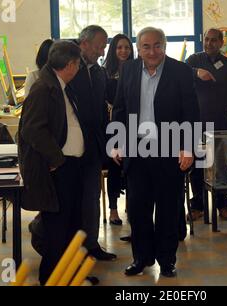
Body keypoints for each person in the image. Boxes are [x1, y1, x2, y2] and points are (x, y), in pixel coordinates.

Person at [111, 27, 200, 277]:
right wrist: (116, 141)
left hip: (170, 148)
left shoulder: (181, 71)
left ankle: (166, 259)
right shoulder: (128, 70)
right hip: (136, 150)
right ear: (138, 49)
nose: (152, 51)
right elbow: (119, 108)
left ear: (165, 46)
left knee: (168, 209)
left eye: (157, 45)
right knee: (138, 209)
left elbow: (191, 112)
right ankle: (142, 258)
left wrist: (187, 146)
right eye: (146, 46)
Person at [18, 40, 84, 285]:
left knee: (68, 228)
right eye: (78, 64)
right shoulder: (44, 88)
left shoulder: (60, 85)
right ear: (71, 65)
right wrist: (56, 159)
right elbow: (32, 130)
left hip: (69, 167)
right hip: (58, 170)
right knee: (56, 231)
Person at [69, 25, 117, 261]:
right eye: (99, 45)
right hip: (68, 149)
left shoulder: (100, 72)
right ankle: (70, 249)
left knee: (91, 198)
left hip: (94, 147)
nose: (102, 50)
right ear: (84, 43)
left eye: (104, 45)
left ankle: (92, 245)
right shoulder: (67, 68)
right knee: (70, 199)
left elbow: (103, 110)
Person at [186, 28, 227, 221]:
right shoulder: (194, 60)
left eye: (213, 40)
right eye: (206, 40)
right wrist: (196, 72)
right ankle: (198, 206)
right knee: (197, 166)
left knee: (222, 166)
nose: (209, 43)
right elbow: (180, 74)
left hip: (223, 125)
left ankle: (223, 205)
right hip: (197, 124)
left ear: (221, 43)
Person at [103, 34, 135, 225]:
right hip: (112, 125)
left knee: (132, 168)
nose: (124, 51)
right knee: (115, 167)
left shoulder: (136, 70)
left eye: (127, 48)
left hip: (133, 125)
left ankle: (132, 206)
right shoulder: (105, 72)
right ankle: (113, 209)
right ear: (113, 50)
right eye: (119, 47)